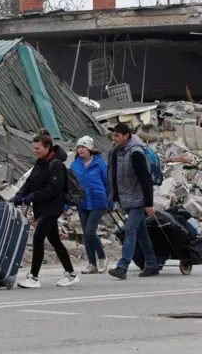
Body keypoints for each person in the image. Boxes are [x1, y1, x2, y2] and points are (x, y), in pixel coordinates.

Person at [13, 129, 80, 289]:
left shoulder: (56, 164)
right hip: (42, 207)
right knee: (55, 240)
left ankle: (34, 277)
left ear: (47, 146)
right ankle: (71, 274)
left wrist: (33, 196)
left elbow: (54, 188)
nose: (35, 151)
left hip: (52, 207)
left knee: (38, 238)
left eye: (38, 148)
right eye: (34, 148)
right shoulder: (40, 163)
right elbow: (29, 181)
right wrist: (20, 194)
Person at [107, 123, 160, 279]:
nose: (114, 138)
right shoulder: (117, 152)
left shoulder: (135, 153)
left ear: (126, 136)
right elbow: (114, 178)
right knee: (142, 233)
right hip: (127, 199)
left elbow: (145, 179)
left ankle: (122, 267)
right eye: (114, 135)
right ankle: (151, 264)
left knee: (130, 230)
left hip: (138, 199)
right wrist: (113, 198)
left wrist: (149, 203)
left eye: (117, 135)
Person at [69, 136, 112, 274]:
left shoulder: (100, 164)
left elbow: (108, 184)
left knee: (90, 231)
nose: (81, 149)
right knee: (86, 234)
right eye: (79, 147)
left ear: (90, 149)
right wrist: (66, 205)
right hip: (82, 202)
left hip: (98, 201)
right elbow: (71, 186)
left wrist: (111, 202)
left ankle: (102, 257)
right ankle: (91, 264)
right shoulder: (74, 165)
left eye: (84, 147)